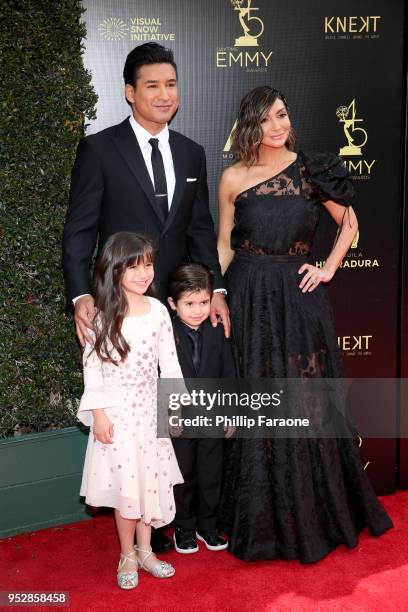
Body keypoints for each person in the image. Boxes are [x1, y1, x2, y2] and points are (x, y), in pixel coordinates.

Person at [62, 42, 229, 552]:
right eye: (152, 85)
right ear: (130, 92)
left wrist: (216, 289)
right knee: (134, 424)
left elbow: (200, 229)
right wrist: (80, 297)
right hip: (122, 313)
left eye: (171, 84)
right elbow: (79, 231)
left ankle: (177, 517)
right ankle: (143, 531)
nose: (164, 94)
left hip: (179, 312)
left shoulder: (192, 152)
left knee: (175, 416)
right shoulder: (99, 149)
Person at [216, 86, 393, 562]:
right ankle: (258, 518)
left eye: (283, 115)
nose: (278, 126)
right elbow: (224, 243)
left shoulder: (312, 169)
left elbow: (349, 224)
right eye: (268, 119)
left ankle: (314, 514)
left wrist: (329, 267)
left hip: (297, 299)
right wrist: (220, 293)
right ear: (250, 125)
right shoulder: (232, 177)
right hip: (249, 294)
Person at [77, 232, 184, 589]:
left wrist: (173, 408)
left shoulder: (158, 311)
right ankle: (126, 554)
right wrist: (99, 416)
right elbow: (92, 369)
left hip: (151, 411)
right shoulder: (101, 316)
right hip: (118, 416)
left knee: (149, 483)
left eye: (149, 264)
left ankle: (146, 550)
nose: (144, 273)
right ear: (114, 269)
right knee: (127, 488)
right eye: (134, 266)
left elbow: (169, 365)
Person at [167, 264, 236, 553]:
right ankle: (183, 528)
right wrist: (170, 413)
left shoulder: (217, 330)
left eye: (204, 302)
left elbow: (228, 373)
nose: (197, 310)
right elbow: (161, 375)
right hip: (178, 418)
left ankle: (207, 526)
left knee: (211, 472)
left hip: (212, 414)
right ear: (173, 304)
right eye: (189, 303)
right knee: (183, 475)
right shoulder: (165, 334)